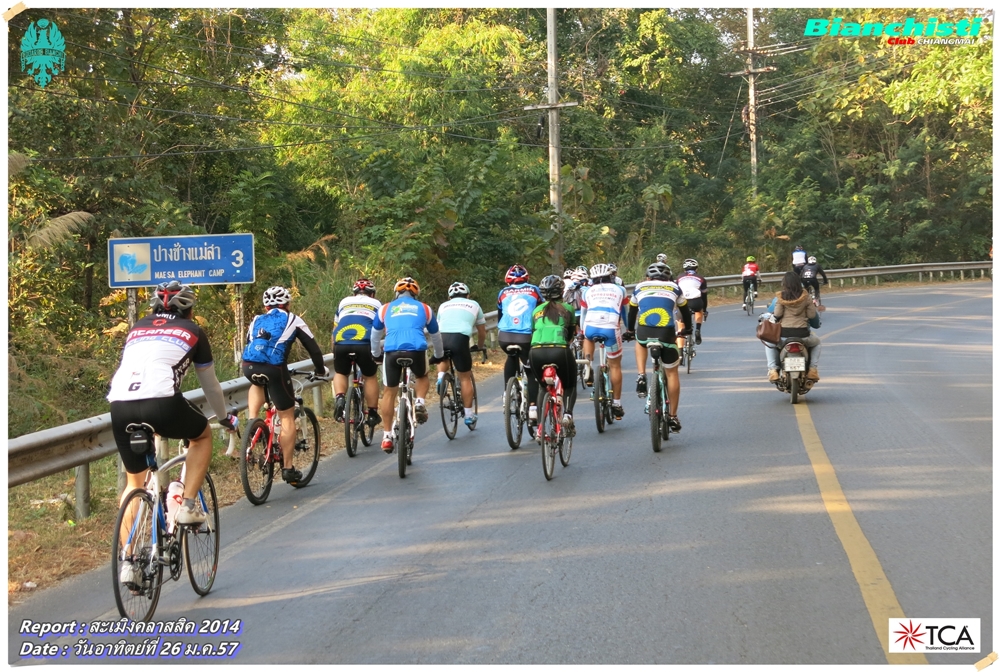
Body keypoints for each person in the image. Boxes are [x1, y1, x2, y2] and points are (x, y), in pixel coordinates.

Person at [108, 281, 238, 525]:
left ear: (154, 308)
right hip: (162, 401)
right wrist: (223, 417)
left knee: (134, 484)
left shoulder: (137, 328)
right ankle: (187, 505)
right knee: (202, 436)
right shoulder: (193, 331)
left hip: (120, 402)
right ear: (189, 310)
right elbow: (210, 386)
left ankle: (126, 550)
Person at [242, 286, 327, 485]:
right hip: (275, 368)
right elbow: (313, 349)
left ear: (266, 306)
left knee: (256, 382)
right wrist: (320, 370)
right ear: (287, 304)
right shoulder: (293, 319)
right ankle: (288, 468)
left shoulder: (256, 319)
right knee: (287, 416)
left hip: (249, 366)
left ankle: (253, 422)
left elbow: (250, 344)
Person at [371, 277, 444, 452]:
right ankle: (419, 402)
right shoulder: (425, 308)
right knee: (422, 376)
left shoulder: (385, 308)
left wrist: (375, 355)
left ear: (397, 293)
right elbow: (436, 336)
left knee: (389, 392)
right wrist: (438, 355)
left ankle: (387, 436)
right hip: (416, 350)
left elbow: (374, 336)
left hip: (392, 351)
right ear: (415, 294)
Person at [625, 263, 692, 432]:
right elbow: (685, 311)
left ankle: (641, 375)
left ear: (648, 277)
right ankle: (673, 416)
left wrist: (630, 331)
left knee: (639, 341)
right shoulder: (674, 287)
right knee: (672, 373)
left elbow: (632, 312)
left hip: (644, 330)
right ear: (668, 278)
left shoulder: (639, 287)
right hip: (666, 333)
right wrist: (688, 329)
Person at [529, 275, 579, 436]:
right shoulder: (568, 309)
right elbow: (570, 335)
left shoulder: (536, 310)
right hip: (560, 350)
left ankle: (540, 429)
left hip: (536, 351)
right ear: (562, 291)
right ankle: (567, 414)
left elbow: (533, 331)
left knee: (542, 387)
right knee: (570, 384)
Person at [435, 281, 487, 427]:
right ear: (467, 295)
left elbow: (438, 326)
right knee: (464, 378)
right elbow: (482, 331)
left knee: (444, 355)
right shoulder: (474, 304)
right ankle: (469, 415)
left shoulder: (443, 305)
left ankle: (440, 377)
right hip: (460, 338)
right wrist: (480, 346)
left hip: (442, 337)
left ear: (449, 297)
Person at [331, 279, 382, 429]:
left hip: (341, 341)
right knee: (370, 376)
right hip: (364, 342)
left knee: (341, 372)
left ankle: (340, 398)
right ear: (372, 294)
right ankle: (372, 413)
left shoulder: (343, 302)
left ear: (354, 293)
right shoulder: (377, 304)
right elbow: (380, 329)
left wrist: (335, 350)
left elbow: (334, 330)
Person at [581, 263, 628, 419]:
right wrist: (629, 330)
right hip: (610, 327)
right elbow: (625, 313)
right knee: (615, 366)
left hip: (590, 326)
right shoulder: (620, 290)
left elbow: (583, 315)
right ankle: (617, 403)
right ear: (611, 277)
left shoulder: (586, 292)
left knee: (587, 337)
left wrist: (582, 332)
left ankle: (587, 366)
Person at [497, 264, 542, 423]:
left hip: (504, 336)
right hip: (526, 336)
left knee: (511, 356)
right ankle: (533, 409)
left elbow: (500, 315)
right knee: (530, 370)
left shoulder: (503, 292)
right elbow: (541, 311)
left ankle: (507, 394)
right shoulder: (534, 290)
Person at [766, 272, 821, 383]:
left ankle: (773, 370)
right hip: (803, 335)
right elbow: (811, 315)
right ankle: (812, 370)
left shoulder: (780, 297)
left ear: (784, 283)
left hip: (784, 336)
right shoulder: (806, 297)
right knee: (817, 343)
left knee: (769, 344)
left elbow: (777, 314)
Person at [676, 258, 708, 346]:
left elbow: (676, 293)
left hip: (682, 302)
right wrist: (704, 310)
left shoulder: (679, 277)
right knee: (699, 310)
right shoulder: (701, 278)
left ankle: (680, 351)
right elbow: (704, 296)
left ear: (684, 269)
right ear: (696, 269)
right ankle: (698, 329)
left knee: (680, 327)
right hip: (695, 301)